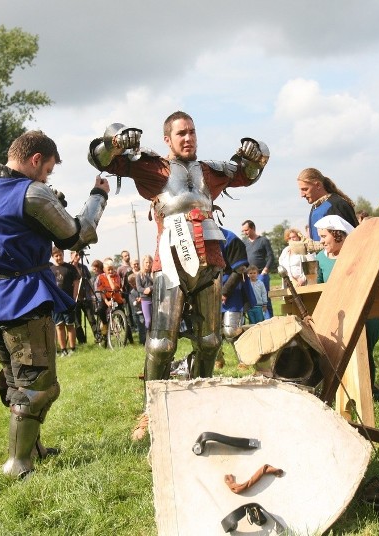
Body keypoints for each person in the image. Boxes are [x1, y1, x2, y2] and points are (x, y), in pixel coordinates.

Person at [87, 111, 268, 440]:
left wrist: (258, 155)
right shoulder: (153, 168)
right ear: (167, 139)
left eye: (192, 132)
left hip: (210, 261)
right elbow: (104, 160)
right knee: (160, 344)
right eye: (181, 133)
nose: (188, 138)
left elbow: (248, 173)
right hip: (170, 262)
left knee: (211, 340)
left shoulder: (212, 171)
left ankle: (201, 401)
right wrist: (114, 142)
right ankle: (151, 411)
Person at [0, 130, 109, 478]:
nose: (47, 177)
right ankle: (17, 463)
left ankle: (33, 448)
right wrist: (98, 195)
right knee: (38, 387)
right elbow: (78, 234)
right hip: (20, 298)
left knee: (16, 382)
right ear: (36, 159)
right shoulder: (32, 192)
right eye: (47, 170)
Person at [315, 215, 379, 401]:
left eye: (324, 236)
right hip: (336, 313)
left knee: (362, 338)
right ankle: (337, 390)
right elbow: (318, 285)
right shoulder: (320, 258)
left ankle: (367, 388)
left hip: (363, 310)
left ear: (338, 235)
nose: (320, 241)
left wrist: (365, 279)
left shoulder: (361, 250)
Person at [297, 168, 358, 241]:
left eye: (305, 189)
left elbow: (350, 238)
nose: (302, 195)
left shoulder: (336, 204)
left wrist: (318, 247)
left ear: (318, 185)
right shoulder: (315, 207)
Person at [241, 220, 275, 318]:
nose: (245, 233)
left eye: (246, 230)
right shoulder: (244, 243)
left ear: (253, 228)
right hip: (249, 276)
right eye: (243, 231)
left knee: (264, 299)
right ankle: (257, 322)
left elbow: (271, 256)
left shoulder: (263, 240)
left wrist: (265, 270)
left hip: (261, 275)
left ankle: (269, 322)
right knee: (252, 300)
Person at [50, 247, 79, 356]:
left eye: (60, 255)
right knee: (59, 325)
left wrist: (74, 298)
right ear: (53, 257)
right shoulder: (50, 270)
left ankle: (72, 348)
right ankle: (63, 350)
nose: (59, 257)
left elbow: (76, 282)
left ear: (63, 254)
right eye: (56, 256)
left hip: (68, 301)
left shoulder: (70, 268)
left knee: (70, 325)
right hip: (56, 302)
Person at [136, 255, 154, 332]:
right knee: (148, 320)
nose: (148, 264)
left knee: (155, 320)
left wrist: (150, 288)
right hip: (145, 299)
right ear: (143, 263)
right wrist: (145, 290)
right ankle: (147, 337)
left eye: (150, 262)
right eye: (146, 262)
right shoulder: (139, 275)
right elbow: (139, 288)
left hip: (155, 298)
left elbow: (157, 284)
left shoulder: (154, 274)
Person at [127, 273, 146, 345]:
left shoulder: (142, 289)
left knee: (147, 326)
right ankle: (143, 341)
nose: (135, 285)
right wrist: (138, 301)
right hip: (139, 313)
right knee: (141, 328)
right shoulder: (132, 293)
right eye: (133, 284)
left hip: (145, 311)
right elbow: (133, 303)